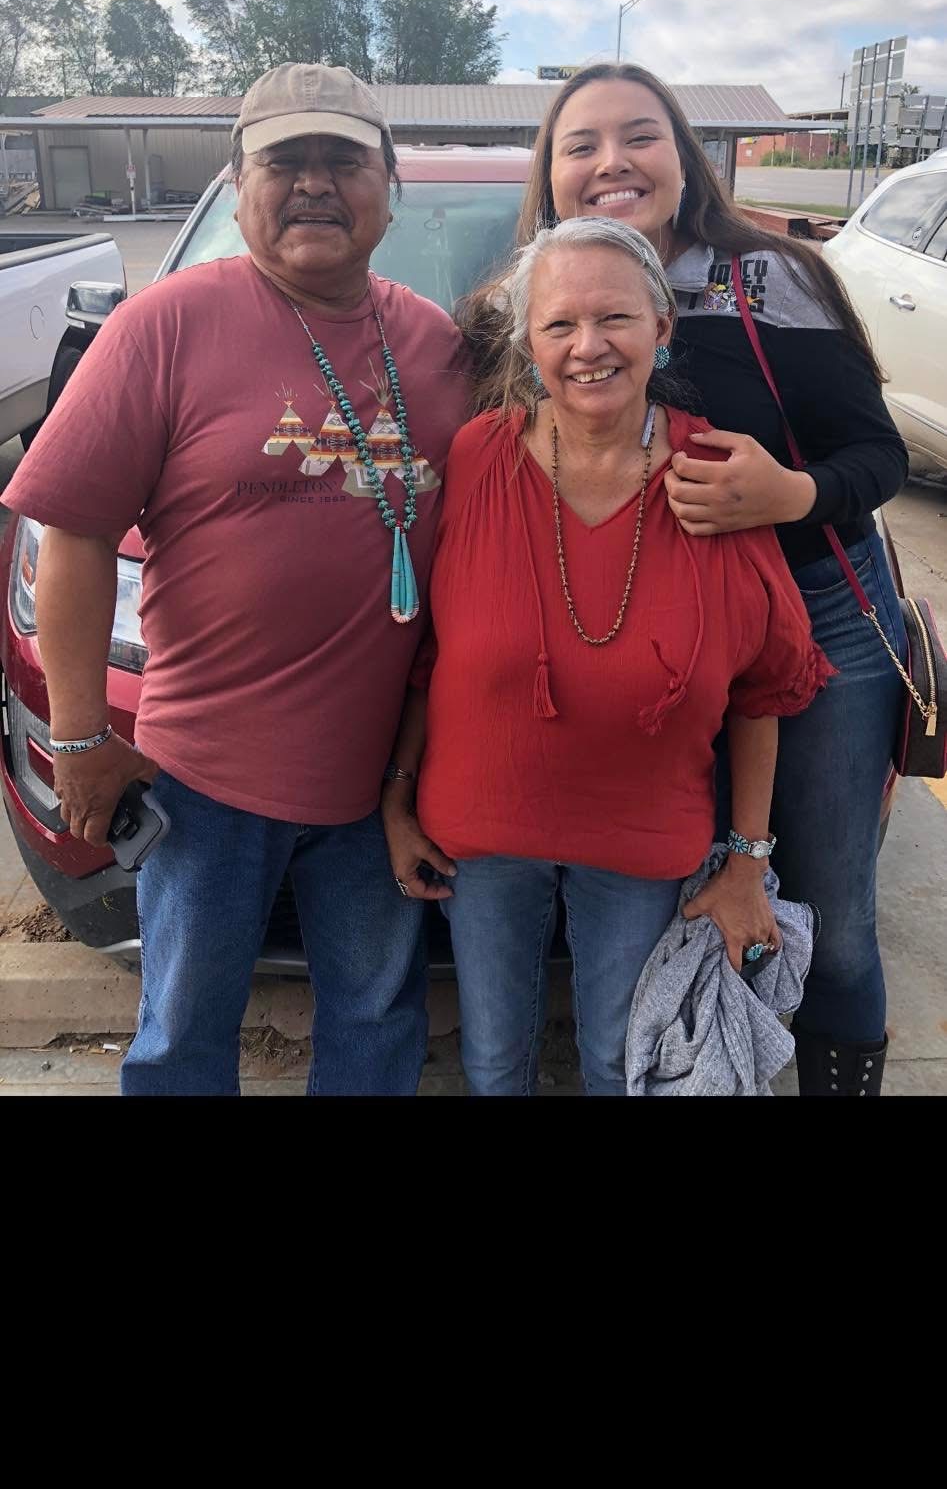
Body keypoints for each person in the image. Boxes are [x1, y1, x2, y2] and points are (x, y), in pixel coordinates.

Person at [3, 61, 470, 1096]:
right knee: (182, 1033)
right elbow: (72, 531)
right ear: (238, 181)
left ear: (388, 185)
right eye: (284, 160)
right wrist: (78, 737)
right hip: (203, 786)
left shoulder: (440, 347)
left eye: (343, 160)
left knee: (377, 1021)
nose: (314, 184)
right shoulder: (162, 326)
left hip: (385, 783)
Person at [457, 63, 909, 1097]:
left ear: (683, 156)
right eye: (580, 144)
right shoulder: (511, 303)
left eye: (639, 135)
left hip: (813, 610)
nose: (611, 162)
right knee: (669, 894)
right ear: (549, 172)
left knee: (827, 912)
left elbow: (877, 456)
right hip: (629, 630)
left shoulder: (772, 278)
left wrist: (789, 492)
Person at [382, 218, 833, 1096]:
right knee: (491, 1063)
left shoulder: (715, 473)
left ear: (660, 327)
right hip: (478, 836)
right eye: (559, 324)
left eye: (614, 318)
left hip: (642, 844)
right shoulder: (476, 456)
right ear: (529, 343)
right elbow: (431, 655)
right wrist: (397, 800)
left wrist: (746, 864)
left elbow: (765, 689)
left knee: (622, 1065)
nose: (587, 346)